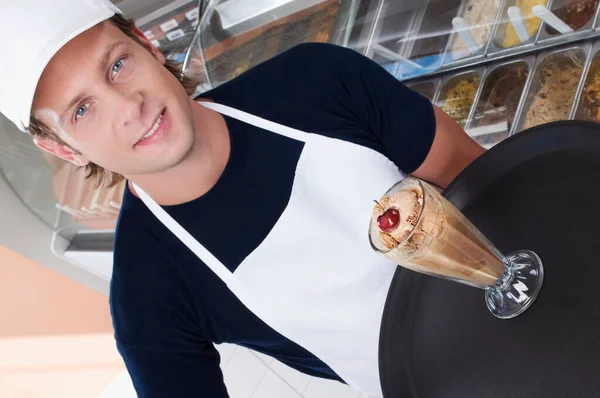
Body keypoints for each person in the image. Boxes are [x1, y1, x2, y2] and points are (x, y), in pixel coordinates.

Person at [0, 1, 485, 397]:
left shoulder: (316, 79)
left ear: (147, 45)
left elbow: (481, 172)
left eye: (118, 65)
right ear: (62, 148)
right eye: (83, 110)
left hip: (525, 274)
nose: (129, 108)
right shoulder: (147, 298)